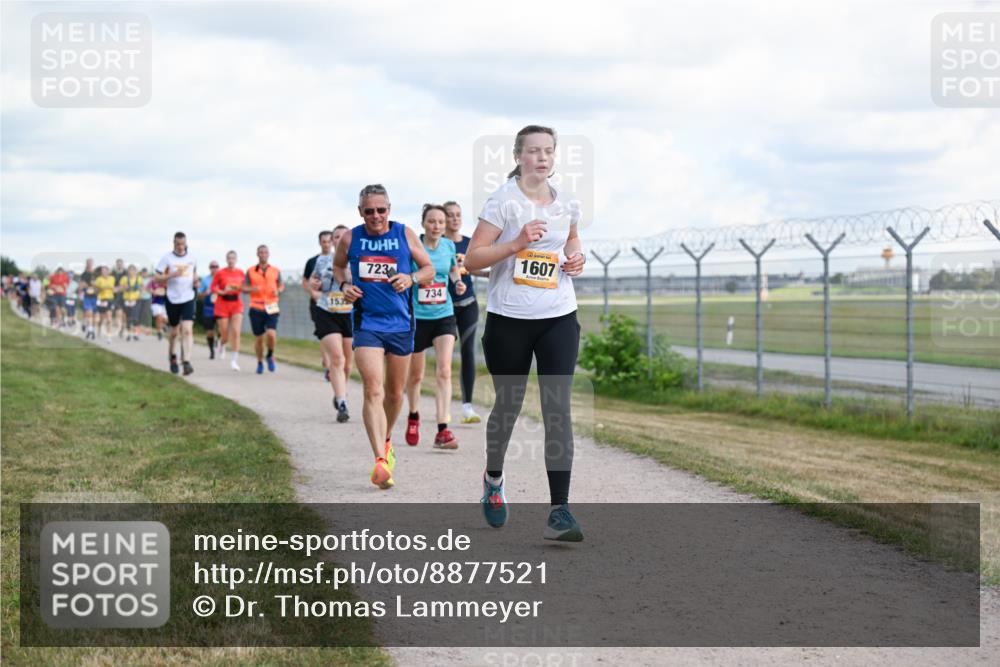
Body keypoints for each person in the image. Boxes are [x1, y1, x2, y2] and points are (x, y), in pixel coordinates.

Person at [465, 125, 587, 542]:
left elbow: (571, 240)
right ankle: (494, 479)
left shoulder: (567, 201)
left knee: (558, 408)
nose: (542, 157)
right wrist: (516, 243)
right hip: (509, 319)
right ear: (518, 156)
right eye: (534, 151)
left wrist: (575, 259)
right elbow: (472, 258)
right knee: (509, 405)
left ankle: (560, 510)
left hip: (558, 315)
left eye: (548, 151)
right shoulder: (503, 201)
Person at [333, 183, 434, 489]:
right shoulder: (351, 238)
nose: (376, 216)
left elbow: (428, 268)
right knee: (372, 389)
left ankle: (386, 438)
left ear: (389, 209)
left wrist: (411, 277)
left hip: (402, 325)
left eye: (381, 210)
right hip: (368, 324)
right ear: (360, 212)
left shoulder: (404, 234)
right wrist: (343, 286)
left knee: (394, 394)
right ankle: (379, 460)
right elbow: (339, 267)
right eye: (369, 211)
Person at [404, 204, 465, 449]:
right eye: (432, 221)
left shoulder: (449, 246)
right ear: (423, 224)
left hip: (444, 313)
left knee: (444, 370)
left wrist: (458, 282)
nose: (437, 226)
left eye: (441, 222)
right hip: (418, 317)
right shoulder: (412, 248)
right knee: (416, 375)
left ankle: (443, 429)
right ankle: (414, 415)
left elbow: (452, 270)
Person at [444, 200, 488, 424]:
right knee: (445, 358)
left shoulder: (470, 244)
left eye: (458, 214)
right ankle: (444, 405)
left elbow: (473, 268)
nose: (455, 218)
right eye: (450, 215)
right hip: (444, 307)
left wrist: (490, 274)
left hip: (468, 303)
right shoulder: (439, 244)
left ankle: (467, 406)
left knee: (468, 352)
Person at [304, 227, 353, 422]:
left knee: (348, 364)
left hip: (349, 313)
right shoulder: (322, 260)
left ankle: (341, 390)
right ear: (332, 241)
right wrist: (314, 287)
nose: (339, 240)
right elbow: (312, 281)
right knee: (338, 358)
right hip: (327, 311)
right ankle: (342, 403)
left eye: (343, 237)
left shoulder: (358, 260)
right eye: (336, 238)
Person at [155, 231, 198, 375]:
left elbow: (194, 274)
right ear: (174, 243)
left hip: (188, 297)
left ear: (186, 243)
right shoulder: (167, 258)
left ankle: (186, 361)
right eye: (178, 244)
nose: (180, 247)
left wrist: (196, 281)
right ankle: (172, 357)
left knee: (187, 329)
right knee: (174, 332)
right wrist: (171, 275)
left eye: (183, 244)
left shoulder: (192, 258)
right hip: (172, 299)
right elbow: (157, 278)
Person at [244, 245, 284, 375]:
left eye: (265, 252)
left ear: (268, 254)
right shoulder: (250, 271)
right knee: (259, 339)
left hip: (272, 305)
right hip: (256, 306)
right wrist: (251, 289)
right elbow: (243, 288)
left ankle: (270, 355)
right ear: (257, 254)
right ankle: (260, 362)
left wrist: (278, 291)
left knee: (271, 334)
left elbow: (281, 285)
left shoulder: (275, 270)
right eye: (261, 252)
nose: (263, 254)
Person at [211, 251, 246, 371]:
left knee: (236, 331)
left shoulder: (241, 273)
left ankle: (234, 361)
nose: (231, 260)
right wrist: (222, 291)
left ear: (236, 259)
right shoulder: (220, 273)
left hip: (236, 303)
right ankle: (221, 343)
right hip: (222, 304)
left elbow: (245, 287)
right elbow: (213, 287)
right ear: (226, 260)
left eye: (233, 258)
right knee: (225, 335)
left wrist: (241, 288)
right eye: (229, 258)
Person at [198, 261, 220, 359]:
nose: (214, 268)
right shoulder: (205, 280)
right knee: (209, 331)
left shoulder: (222, 279)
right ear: (209, 268)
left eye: (216, 266)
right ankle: (212, 351)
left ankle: (218, 340)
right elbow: (198, 294)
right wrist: (204, 293)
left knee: (221, 328)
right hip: (208, 307)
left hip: (220, 307)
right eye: (212, 266)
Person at [93, 265, 117, 343]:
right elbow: (95, 291)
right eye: (102, 271)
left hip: (110, 299)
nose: (103, 272)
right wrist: (100, 288)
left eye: (105, 270)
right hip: (101, 299)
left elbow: (115, 288)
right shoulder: (98, 279)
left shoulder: (112, 279)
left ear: (108, 271)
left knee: (109, 318)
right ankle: (99, 329)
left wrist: (114, 289)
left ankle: (109, 336)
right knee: (101, 318)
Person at [120, 264, 143, 340]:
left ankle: (136, 334)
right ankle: (129, 334)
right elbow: (120, 288)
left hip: (136, 300)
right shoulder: (124, 278)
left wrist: (140, 291)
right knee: (128, 318)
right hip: (126, 300)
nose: (131, 272)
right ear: (128, 271)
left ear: (135, 271)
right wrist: (124, 287)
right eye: (130, 270)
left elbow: (142, 288)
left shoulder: (139, 278)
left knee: (135, 317)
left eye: (133, 270)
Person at [79, 258, 97, 339]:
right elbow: (82, 285)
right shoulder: (84, 274)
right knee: (89, 312)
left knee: (94, 315)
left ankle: (91, 329)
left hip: (95, 297)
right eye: (88, 263)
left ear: (93, 264)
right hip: (87, 296)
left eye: (91, 263)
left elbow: (98, 285)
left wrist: (93, 285)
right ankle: (90, 330)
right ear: (86, 264)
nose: (89, 264)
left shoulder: (96, 274)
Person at [111, 258, 127, 338]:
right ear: (116, 264)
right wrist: (113, 289)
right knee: (118, 313)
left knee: (124, 315)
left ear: (123, 264)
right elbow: (110, 283)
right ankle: (120, 328)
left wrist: (120, 288)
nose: (119, 265)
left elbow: (128, 285)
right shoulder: (113, 273)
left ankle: (123, 327)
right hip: (116, 296)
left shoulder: (126, 273)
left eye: (121, 263)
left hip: (126, 296)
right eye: (118, 263)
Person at [137, 268, 152, 336]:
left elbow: (151, 289)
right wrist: (141, 289)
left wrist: (145, 289)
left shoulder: (150, 280)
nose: (144, 273)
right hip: (139, 298)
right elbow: (137, 287)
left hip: (147, 298)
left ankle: (148, 328)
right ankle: (138, 328)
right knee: (139, 313)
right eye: (143, 272)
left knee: (146, 312)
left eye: (145, 272)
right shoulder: (139, 279)